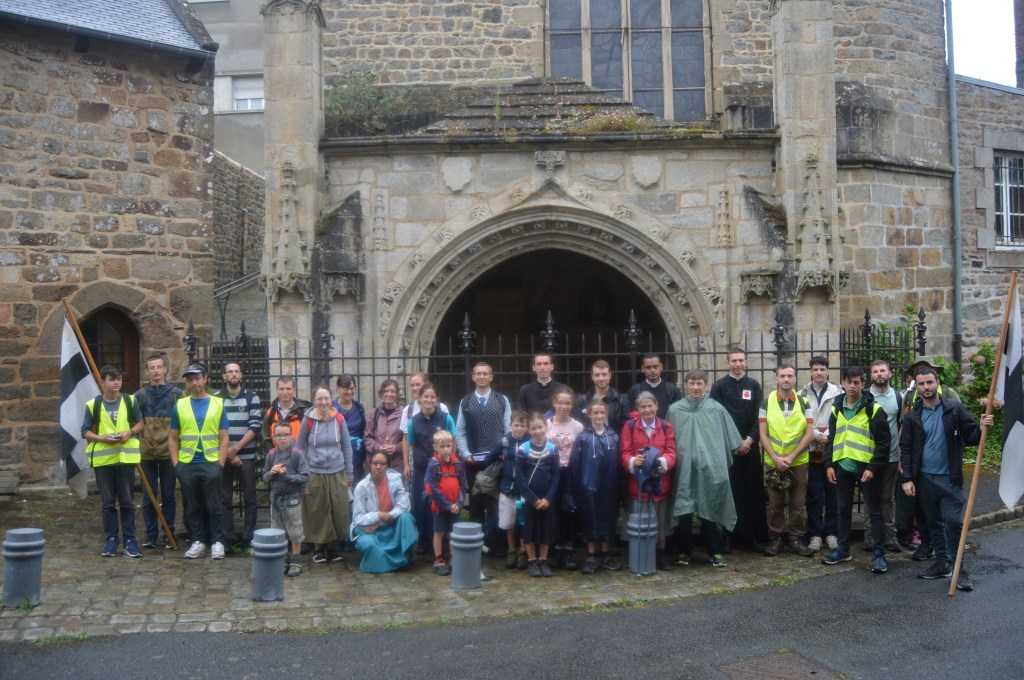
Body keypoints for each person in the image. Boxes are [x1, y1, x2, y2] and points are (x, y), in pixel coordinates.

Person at [900, 365, 993, 592]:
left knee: (953, 523)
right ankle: (942, 564)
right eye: (921, 384)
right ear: (916, 386)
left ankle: (959, 570)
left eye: (929, 382)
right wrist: (907, 478)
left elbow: (972, 437)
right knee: (933, 524)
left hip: (949, 478)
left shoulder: (954, 409)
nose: (926, 387)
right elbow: (907, 448)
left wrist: (982, 427)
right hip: (924, 479)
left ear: (937, 383)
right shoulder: (913, 415)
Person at [668, 369, 742, 568]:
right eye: (692, 383)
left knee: (711, 506)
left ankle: (715, 550)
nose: (695, 387)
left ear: (706, 385)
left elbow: (732, 440)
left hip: (710, 468)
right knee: (683, 509)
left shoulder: (716, 409)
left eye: (699, 383)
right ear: (685, 385)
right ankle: (683, 551)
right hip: (683, 469)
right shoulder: (675, 410)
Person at [821, 367, 891, 574]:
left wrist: (872, 468)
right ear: (843, 383)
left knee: (874, 511)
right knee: (842, 510)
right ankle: (843, 550)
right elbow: (831, 439)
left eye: (856, 382)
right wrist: (829, 465)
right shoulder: (837, 408)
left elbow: (884, 443)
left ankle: (879, 554)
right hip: (842, 466)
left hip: (866, 469)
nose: (852, 386)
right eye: (849, 382)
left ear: (863, 384)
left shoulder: (874, 409)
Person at [82, 365, 144, 558]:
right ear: (102, 382)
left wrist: (130, 432)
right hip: (104, 462)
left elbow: (140, 423)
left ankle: (130, 541)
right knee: (108, 503)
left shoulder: (130, 400)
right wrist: (102, 438)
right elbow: (85, 431)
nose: (116, 382)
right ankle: (111, 540)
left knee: (127, 503)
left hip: (125, 459)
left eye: (118, 379)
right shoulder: (93, 405)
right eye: (111, 379)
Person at [169, 363, 230, 560]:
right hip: (187, 464)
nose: (194, 383)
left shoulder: (218, 404)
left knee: (214, 505)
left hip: (211, 463)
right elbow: (172, 438)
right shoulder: (180, 406)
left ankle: (217, 541)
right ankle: (198, 541)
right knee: (192, 506)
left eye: (197, 378)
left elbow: (224, 437)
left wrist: (220, 464)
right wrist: (177, 465)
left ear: (205, 379)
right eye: (190, 380)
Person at [710, 347, 767, 553]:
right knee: (729, 493)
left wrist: (749, 440)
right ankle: (727, 537)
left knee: (751, 492)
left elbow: (759, 416)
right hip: (727, 449)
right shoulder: (718, 387)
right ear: (727, 363)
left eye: (741, 360)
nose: (737, 364)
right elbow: (715, 417)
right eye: (733, 360)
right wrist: (734, 443)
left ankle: (751, 537)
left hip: (749, 448)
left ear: (746, 362)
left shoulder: (753, 385)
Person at [758, 364, 816, 557]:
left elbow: (809, 434)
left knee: (797, 504)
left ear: (795, 379)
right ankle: (775, 538)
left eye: (790, 376)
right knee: (775, 503)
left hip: (797, 461)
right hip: (773, 461)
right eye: (782, 376)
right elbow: (763, 434)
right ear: (776, 379)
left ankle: (796, 538)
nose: (786, 379)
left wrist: (791, 457)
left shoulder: (804, 403)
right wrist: (776, 458)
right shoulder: (766, 403)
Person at [455, 362, 511, 552]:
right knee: (476, 503)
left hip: (495, 462)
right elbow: (460, 431)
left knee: (495, 502)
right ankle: (478, 543)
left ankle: (497, 542)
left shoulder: (501, 400)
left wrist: (502, 451)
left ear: (491, 376)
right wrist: (465, 454)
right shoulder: (465, 401)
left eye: (485, 373)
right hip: (473, 461)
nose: (481, 376)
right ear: (473, 377)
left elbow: (508, 429)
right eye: (478, 374)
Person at [620, 391, 677, 570]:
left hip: (660, 482)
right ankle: (640, 553)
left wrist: (662, 462)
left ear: (656, 406)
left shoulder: (666, 426)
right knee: (640, 519)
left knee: (660, 520)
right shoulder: (629, 426)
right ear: (638, 409)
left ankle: (661, 553)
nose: (647, 410)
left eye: (650, 406)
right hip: (638, 483)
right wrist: (633, 461)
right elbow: (625, 452)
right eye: (643, 407)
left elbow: (671, 451)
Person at [296, 386, 354, 564]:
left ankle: (333, 548)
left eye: (326, 398)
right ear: (314, 401)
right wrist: (305, 470)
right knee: (318, 510)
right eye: (320, 399)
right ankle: (318, 549)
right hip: (315, 472)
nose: (323, 402)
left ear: (331, 399)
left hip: (337, 471)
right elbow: (299, 447)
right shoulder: (308, 420)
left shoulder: (339, 419)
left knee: (337, 509)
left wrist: (349, 472)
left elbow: (346, 446)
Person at [135, 354, 182, 550]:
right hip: (146, 452)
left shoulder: (176, 394)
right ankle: (151, 533)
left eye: (159, 367)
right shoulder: (139, 396)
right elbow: (134, 422)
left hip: (169, 452)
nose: (156, 371)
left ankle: (169, 531)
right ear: (147, 371)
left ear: (165, 369)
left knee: (169, 494)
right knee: (149, 495)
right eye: (152, 367)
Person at [570, 400, 622, 573]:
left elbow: (619, 462)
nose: (599, 416)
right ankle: (591, 554)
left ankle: (606, 553)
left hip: (610, 486)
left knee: (608, 518)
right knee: (590, 518)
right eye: (596, 413)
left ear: (606, 414)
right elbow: (575, 463)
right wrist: (577, 486)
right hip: (588, 486)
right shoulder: (583, 437)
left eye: (602, 413)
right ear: (589, 414)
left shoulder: (613, 436)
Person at [797, 356, 843, 554]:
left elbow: (842, 417)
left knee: (833, 493)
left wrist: (828, 435)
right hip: (811, 449)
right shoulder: (801, 394)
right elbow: (800, 420)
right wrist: (817, 435)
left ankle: (832, 532)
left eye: (822, 369)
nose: (819, 373)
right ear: (810, 371)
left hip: (832, 450)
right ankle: (815, 533)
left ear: (828, 371)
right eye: (815, 369)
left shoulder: (838, 393)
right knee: (814, 494)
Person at [214, 361, 261, 552]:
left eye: (236, 371)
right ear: (224, 376)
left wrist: (236, 449)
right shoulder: (216, 398)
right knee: (224, 499)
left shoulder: (252, 396)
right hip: (223, 456)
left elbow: (255, 426)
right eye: (229, 372)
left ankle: (249, 539)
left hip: (247, 455)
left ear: (241, 375)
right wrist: (227, 453)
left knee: (250, 498)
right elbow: (213, 428)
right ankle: (227, 539)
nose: (233, 374)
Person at [406, 383, 456, 555]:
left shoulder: (446, 419)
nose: (428, 400)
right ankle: (425, 542)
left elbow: (453, 442)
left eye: (432, 397)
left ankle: (443, 543)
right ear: (419, 398)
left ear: (437, 399)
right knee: (423, 506)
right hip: (422, 470)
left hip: (443, 471)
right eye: (425, 396)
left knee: (441, 504)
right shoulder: (412, 422)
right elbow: (412, 444)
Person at [351, 451, 418, 574]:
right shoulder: (361, 487)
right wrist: (378, 516)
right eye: (375, 463)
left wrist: (384, 519)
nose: (378, 467)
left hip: (392, 525)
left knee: (406, 518)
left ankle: (406, 557)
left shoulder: (395, 480)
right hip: (371, 529)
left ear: (387, 466)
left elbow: (404, 505)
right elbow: (358, 518)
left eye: (382, 464)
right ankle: (397, 563)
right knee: (367, 544)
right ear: (369, 465)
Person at [480, 410, 531, 569]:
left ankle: (523, 551)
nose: (519, 428)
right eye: (516, 425)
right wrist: (500, 467)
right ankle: (511, 550)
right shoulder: (503, 442)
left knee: (523, 522)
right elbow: (489, 459)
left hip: (525, 490)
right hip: (507, 488)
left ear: (527, 427)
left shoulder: (530, 441)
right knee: (508, 522)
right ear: (510, 425)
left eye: (522, 425)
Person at [516, 412, 560, 577]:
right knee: (530, 529)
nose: (537, 431)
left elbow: (556, 476)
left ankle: (543, 560)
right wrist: (532, 499)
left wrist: (548, 498)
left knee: (545, 529)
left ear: (546, 427)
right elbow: (520, 477)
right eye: (533, 428)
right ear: (528, 430)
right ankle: (532, 561)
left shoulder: (552, 449)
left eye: (540, 427)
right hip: (530, 499)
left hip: (547, 499)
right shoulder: (523, 449)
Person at [263, 422, 310, 576]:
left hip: (292, 498)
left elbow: (305, 476)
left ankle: (295, 562)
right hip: (276, 498)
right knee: (278, 530)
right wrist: (272, 473)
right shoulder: (271, 454)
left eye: (285, 435)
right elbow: (264, 476)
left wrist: (287, 476)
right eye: (279, 435)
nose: (282, 438)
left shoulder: (297, 454)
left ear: (291, 435)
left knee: (295, 531)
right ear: (274, 437)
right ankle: (282, 559)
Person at [866, 359, 904, 553]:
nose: (879, 374)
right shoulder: (865, 396)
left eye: (882, 371)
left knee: (888, 497)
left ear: (889, 374)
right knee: (869, 496)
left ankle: (890, 533)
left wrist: (901, 452)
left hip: (891, 455)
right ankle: (870, 533)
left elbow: (901, 424)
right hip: (868, 456)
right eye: (875, 371)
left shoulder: (898, 397)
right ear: (871, 375)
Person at [547, 386, 584, 569]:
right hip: (551, 472)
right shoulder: (546, 424)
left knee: (569, 510)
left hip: (570, 473)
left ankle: (568, 551)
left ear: (572, 405)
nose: (563, 406)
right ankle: (555, 550)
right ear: (554, 403)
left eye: (567, 403)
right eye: (560, 402)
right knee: (553, 511)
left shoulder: (578, 426)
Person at [425, 429, 467, 576]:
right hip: (439, 507)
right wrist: (447, 505)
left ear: (452, 445)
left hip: (455, 507)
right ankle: (438, 559)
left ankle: (454, 558)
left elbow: (463, 485)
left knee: (453, 533)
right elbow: (431, 488)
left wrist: (459, 503)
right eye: (442, 446)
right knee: (439, 532)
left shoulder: (457, 463)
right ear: (435, 447)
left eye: (448, 446)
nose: (446, 449)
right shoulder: (433, 465)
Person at [399, 371, 449, 481]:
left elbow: (450, 437)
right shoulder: (408, 410)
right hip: (418, 461)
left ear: (426, 384)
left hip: (441, 460)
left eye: (418, 384)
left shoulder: (442, 408)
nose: (415, 388)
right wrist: (406, 464)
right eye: (412, 385)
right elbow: (406, 439)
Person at [574, 360, 630, 432]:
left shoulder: (621, 401)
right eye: (597, 375)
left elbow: (625, 429)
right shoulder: (582, 401)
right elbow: (577, 427)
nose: (601, 378)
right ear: (592, 376)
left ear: (610, 375)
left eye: (604, 374)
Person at [364, 379, 405, 475]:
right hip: (377, 465)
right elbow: (367, 438)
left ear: (397, 394)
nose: (389, 394)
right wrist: (379, 447)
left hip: (396, 464)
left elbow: (409, 439)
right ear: (382, 393)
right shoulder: (375, 413)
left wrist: (396, 447)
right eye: (386, 391)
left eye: (392, 391)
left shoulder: (404, 413)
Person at [334, 373, 367, 485]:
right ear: (338, 389)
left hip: (356, 460)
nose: (349, 392)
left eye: (352, 388)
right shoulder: (332, 409)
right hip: (336, 460)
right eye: (346, 388)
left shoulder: (359, 408)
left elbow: (363, 432)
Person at [627, 353, 682, 419]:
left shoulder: (673, 390)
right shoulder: (635, 391)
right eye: (648, 367)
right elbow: (631, 417)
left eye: (655, 367)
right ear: (643, 368)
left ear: (661, 367)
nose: (652, 370)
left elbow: (678, 416)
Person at [263, 377, 311, 448]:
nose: (285, 392)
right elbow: (266, 438)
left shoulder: (304, 412)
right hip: (277, 454)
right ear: (277, 390)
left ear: (294, 390)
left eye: (288, 389)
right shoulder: (271, 413)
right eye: (281, 389)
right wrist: (271, 454)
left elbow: (310, 437)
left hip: (299, 453)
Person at [516, 352, 567, 417]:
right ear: (534, 367)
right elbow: (521, 415)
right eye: (539, 364)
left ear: (552, 367)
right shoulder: (525, 390)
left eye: (546, 364)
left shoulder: (563, 389)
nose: (542, 367)